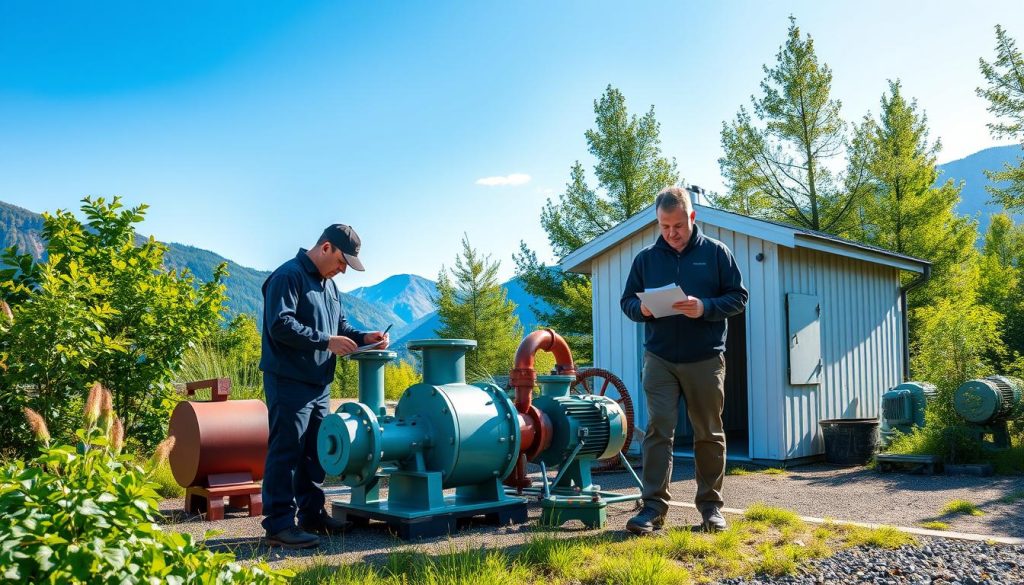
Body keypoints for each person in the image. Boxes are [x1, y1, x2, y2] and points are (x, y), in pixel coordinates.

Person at [620, 187, 748, 535]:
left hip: (705, 359)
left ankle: (710, 509)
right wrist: (642, 308)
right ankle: (652, 510)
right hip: (659, 358)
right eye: (664, 226)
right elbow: (627, 302)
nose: (671, 233)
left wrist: (705, 307)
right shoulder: (646, 259)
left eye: (677, 225)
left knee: (708, 433)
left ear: (692, 218)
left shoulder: (717, 253)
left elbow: (738, 298)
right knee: (659, 430)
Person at [259, 224, 390, 549]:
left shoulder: (330, 286)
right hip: (288, 380)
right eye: (343, 261)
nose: (344, 269)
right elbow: (280, 325)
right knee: (286, 452)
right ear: (326, 247)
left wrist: (364, 338)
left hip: (319, 383)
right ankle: (278, 525)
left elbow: (339, 326)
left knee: (313, 454)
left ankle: (312, 515)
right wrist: (325, 341)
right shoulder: (287, 276)